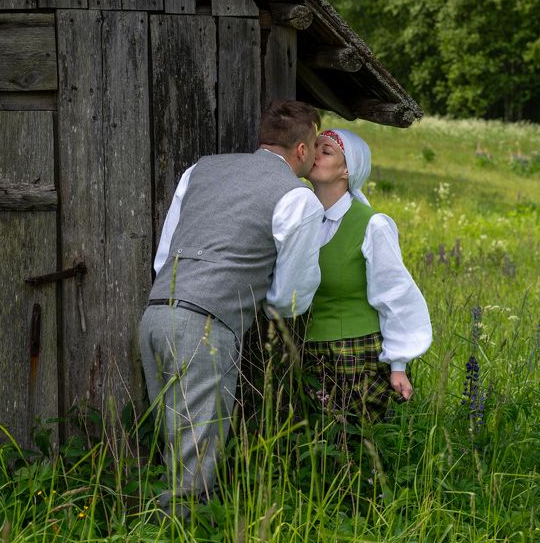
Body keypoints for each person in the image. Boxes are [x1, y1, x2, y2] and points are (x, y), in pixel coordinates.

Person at [139, 100, 325, 513]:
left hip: (155, 315)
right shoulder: (298, 199)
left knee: (172, 446)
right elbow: (290, 297)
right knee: (193, 469)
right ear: (301, 150)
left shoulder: (201, 169)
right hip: (205, 327)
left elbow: (163, 256)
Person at [303, 128, 432, 424]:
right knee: (322, 453)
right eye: (314, 148)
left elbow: (396, 293)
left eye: (327, 151)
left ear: (347, 169)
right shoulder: (303, 219)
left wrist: (398, 364)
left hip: (359, 355)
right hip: (312, 355)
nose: (315, 155)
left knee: (360, 448)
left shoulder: (372, 224)